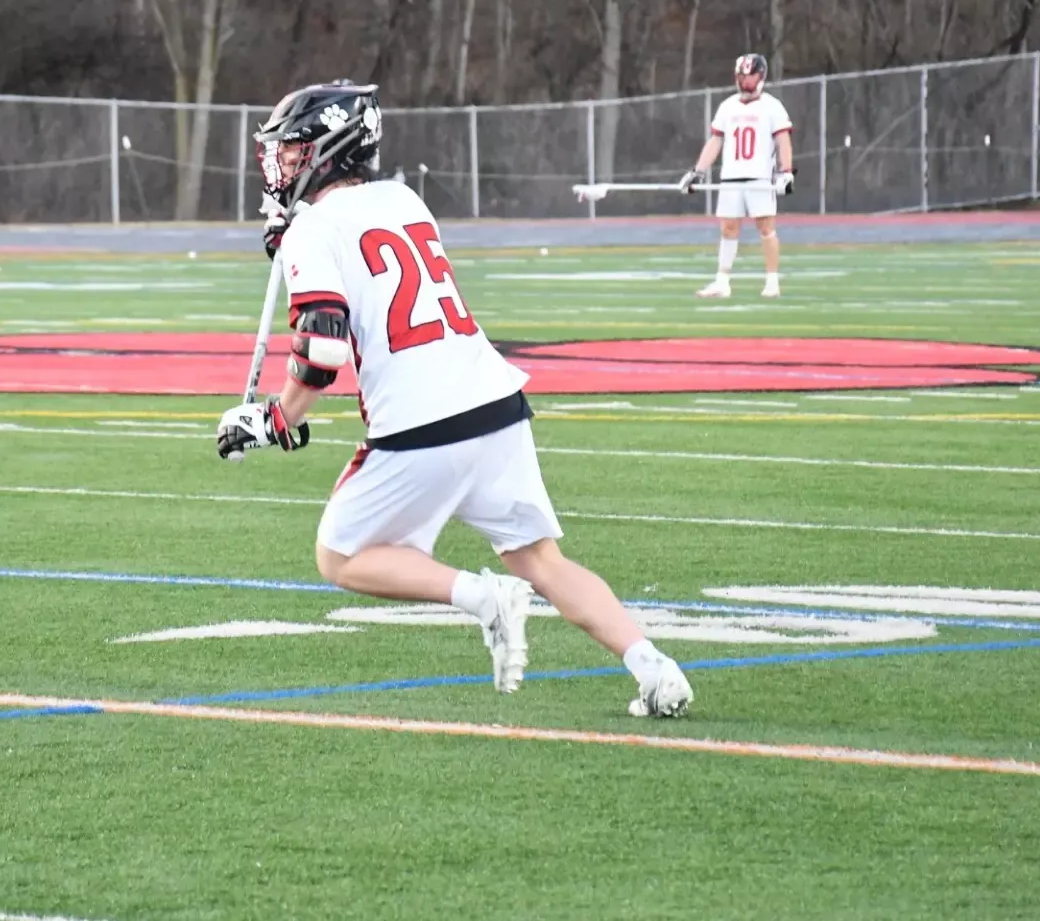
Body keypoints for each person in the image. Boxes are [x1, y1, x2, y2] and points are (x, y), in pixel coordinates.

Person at [214, 80, 693, 718]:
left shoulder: (314, 229)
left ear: (331, 149)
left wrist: (274, 418)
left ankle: (481, 596)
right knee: (542, 560)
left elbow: (323, 350)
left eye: (296, 149)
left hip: (422, 422)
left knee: (340, 554)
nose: (283, 164)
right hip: (494, 403)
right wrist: (298, 239)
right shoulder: (406, 199)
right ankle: (655, 669)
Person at [678, 53, 796, 299]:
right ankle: (722, 281)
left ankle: (772, 281)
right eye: (741, 75)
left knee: (766, 227)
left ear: (760, 76)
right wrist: (697, 172)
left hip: (759, 178)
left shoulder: (772, 106)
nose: (745, 81)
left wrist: (786, 172)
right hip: (731, 177)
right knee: (728, 228)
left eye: (750, 75)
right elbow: (716, 141)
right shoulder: (727, 106)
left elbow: (783, 140)